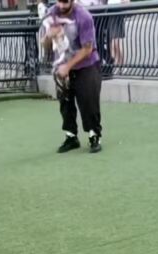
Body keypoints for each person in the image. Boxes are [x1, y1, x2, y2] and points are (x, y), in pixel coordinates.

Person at [42, 0, 103, 154]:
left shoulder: (84, 16)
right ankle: (71, 137)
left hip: (86, 65)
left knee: (88, 102)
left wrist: (68, 67)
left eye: (66, 2)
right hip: (62, 65)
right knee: (65, 102)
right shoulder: (51, 13)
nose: (62, 6)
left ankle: (94, 135)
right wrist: (49, 37)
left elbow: (87, 49)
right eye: (59, 2)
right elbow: (45, 45)